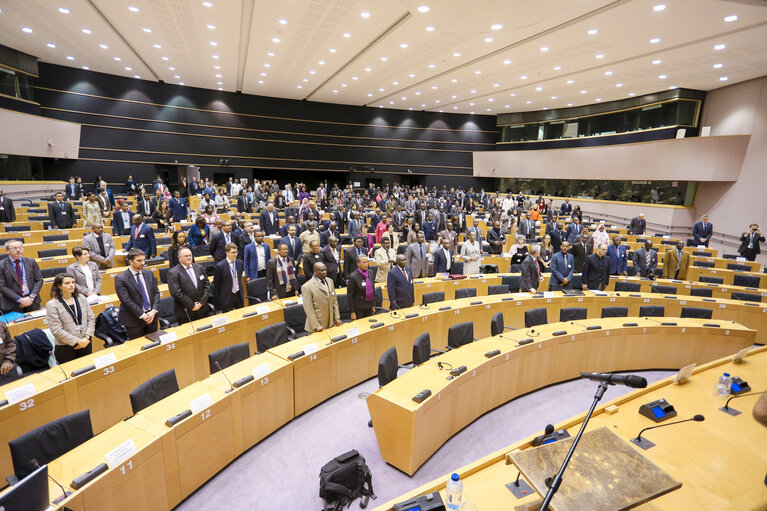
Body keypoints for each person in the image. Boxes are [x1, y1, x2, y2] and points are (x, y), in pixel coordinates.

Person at [46, 273, 95, 364]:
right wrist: (77, 341)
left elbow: (91, 318)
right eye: (67, 283)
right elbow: (56, 330)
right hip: (66, 347)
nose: (71, 285)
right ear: (59, 286)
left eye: (73, 282)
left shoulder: (81, 298)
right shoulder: (52, 305)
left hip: (86, 342)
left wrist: (86, 337)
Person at [115, 249, 161, 339]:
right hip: (134, 320)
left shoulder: (149, 273)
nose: (143, 262)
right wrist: (143, 315)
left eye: (144, 260)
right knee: (139, 347)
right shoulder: (121, 278)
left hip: (152, 317)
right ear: (130, 261)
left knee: (154, 345)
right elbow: (126, 300)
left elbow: (156, 293)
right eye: (139, 260)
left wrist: (154, 310)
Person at [167, 246, 210, 324]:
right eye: (186, 256)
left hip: (202, 308)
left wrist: (201, 303)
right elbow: (176, 293)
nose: (189, 257)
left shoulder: (200, 268)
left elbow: (207, 285)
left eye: (190, 255)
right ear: (179, 258)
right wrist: (192, 305)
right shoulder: (173, 272)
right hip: (185, 311)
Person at [0, 240, 43, 313]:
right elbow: (2, 287)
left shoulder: (31, 262)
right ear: (7, 251)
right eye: (14, 248)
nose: (18, 250)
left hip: (32, 301)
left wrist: (31, 297)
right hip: (12, 303)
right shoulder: (1, 265)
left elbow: (39, 280)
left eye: (20, 247)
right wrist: (21, 300)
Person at [302, 262, 342, 332]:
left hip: (330, 323)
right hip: (317, 325)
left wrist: (337, 317)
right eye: (321, 270)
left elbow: (334, 301)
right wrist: (316, 325)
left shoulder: (330, 281)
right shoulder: (307, 286)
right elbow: (308, 309)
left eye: (325, 270)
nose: (324, 272)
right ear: (315, 271)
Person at [213, 243, 245, 312]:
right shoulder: (220, 266)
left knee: (241, 315)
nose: (235, 254)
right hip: (227, 296)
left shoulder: (240, 263)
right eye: (233, 252)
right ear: (227, 253)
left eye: (236, 252)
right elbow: (217, 284)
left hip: (239, 294)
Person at [347, 255, 376, 320]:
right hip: (358, 308)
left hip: (369, 305)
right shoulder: (353, 276)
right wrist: (352, 312)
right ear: (357, 264)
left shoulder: (370, 273)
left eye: (367, 262)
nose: (366, 264)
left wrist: (373, 305)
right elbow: (350, 296)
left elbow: (373, 290)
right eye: (363, 262)